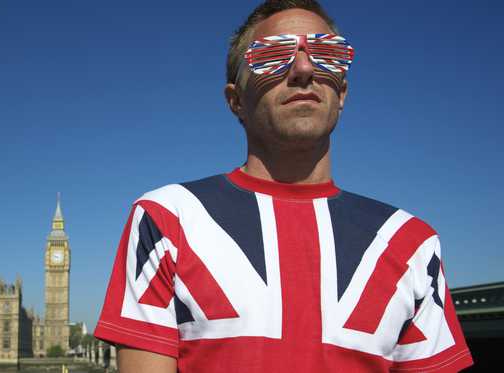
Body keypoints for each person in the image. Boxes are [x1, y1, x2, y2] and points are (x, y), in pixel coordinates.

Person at [92, 0, 473, 372]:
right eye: (273, 56)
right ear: (235, 100)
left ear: (341, 94)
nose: (304, 68)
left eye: (326, 52)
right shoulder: (167, 219)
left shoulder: (413, 245)